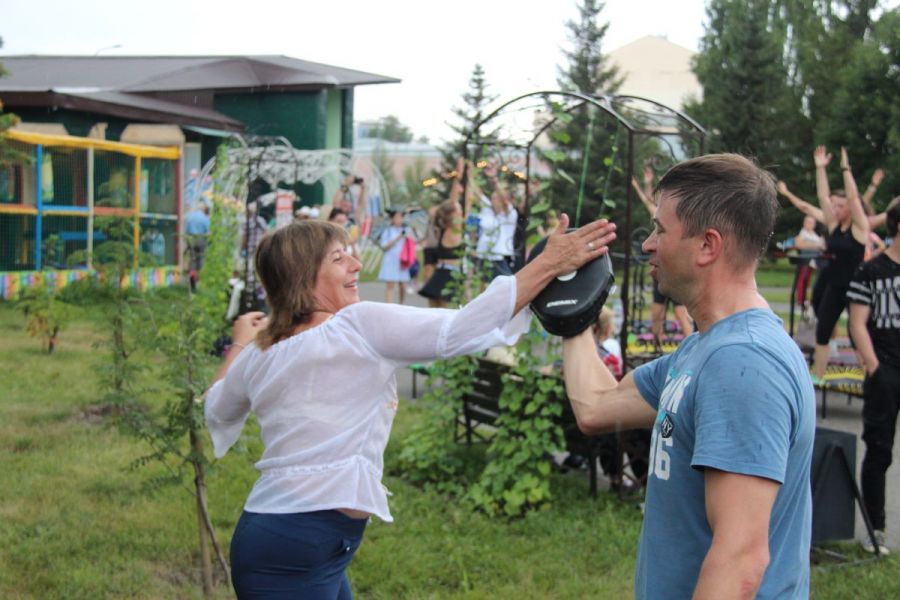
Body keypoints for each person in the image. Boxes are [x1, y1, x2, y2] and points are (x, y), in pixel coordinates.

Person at [204, 216, 616, 598]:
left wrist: (240, 341)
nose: (355, 263)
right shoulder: (355, 326)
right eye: (338, 257)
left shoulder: (260, 353)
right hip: (294, 548)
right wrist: (548, 265)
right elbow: (460, 329)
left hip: (295, 540)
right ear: (302, 275)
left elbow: (216, 407)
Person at [562, 154, 815, 599]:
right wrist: (571, 308)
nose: (648, 245)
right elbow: (595, 406)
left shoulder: (744, 364)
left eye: (660, 230)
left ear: (707, 246)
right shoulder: (704, 348)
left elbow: (740, 561)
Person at [847, 195, 900, 556]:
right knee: (879, 449)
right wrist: (875, 367)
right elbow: (857, 322)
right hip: (886, 369)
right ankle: (875, 528)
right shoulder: (871, 270)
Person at [809, 146, 869, 380]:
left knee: (857, 336)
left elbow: (854, 198)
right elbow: (823, 197)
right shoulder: (834, 227)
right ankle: (818, 377)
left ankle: (871, 377)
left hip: (855, 290)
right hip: (835, 287)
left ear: (852, 210)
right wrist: (820, 168)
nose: (836, 208)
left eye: (841, 206)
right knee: (823, 331)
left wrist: (845, 168)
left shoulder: (860, 229)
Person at [631, 165, 694, 345]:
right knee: (656, 314)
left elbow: (649, 201)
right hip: (661, 269)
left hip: (674, 268)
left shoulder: (676, 216)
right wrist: (644, 184)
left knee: (681, 313)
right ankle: (657, 348)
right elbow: (649, 202)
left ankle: (693, 346)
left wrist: (643, 185)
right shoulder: (659, 215)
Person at [377, 209, 412, 304]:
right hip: (391, 259)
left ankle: (402, 304)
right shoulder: (388, 231)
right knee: (390, 284)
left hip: (402, 260)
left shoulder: (407, 230)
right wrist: (398, 238)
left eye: (401, 217)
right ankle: (389, 306)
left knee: (403, 284)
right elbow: (384, 246)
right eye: (396, 217)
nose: (399, 219)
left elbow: (412, 244)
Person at [184, 203, 210, 290]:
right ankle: (198, 282)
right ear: (203, 210)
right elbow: (208, 232)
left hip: (191, 239)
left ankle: (192, 282)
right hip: (201, 240)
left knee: (192, 260)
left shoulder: (190, 217)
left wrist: (187, 244)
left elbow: (186, 231)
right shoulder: (205, 218)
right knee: (200, 260)